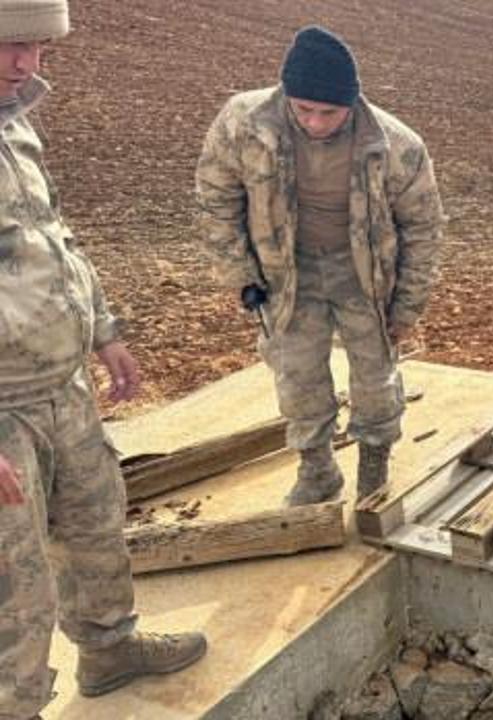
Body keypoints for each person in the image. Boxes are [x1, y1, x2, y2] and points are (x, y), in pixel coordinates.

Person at [0, 2, 207, 716]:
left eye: (35, 50)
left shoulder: (15, 128)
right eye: (8, 48)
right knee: (13, 590)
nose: (24, 66)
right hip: (4, 413)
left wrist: (103, 332)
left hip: (61, 386)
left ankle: (109, 651)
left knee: (95, 527)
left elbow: (53, 240)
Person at [195, 25, 445, 505]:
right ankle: (317, 470)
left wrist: (407, 307)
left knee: (375, 376)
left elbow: (424, 229)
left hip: (365, 278)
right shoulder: (245, 123)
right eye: (303, 109)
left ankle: (374, 464)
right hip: (287, 275)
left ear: (351, 103)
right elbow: (215, 194)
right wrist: (240, 274)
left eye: (328, 113)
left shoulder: (396, 146)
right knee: (297, 374)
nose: (313, 122)